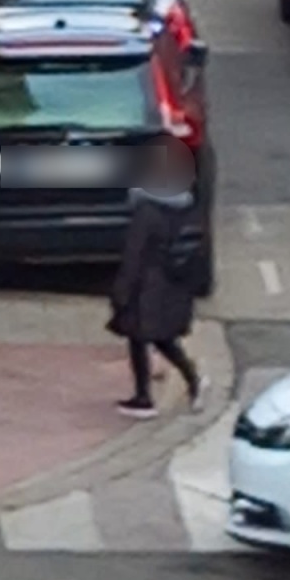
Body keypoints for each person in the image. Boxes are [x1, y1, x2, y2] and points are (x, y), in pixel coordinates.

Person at [108, 138, 209, 419]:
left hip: (147, 289)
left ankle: (145, 397)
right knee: (162, 339)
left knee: (139, 339)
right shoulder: (187, 209)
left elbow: (134, 255)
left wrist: (121, 291)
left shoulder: (147, 212)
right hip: (175, 287)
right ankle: (191, 380)